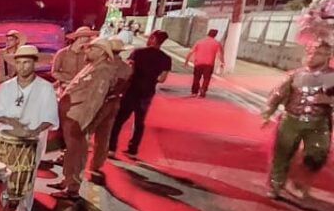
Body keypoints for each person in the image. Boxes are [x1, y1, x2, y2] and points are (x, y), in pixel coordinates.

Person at [0, 45, 59, 211]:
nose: (22, 66)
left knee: (27, 179)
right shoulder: (6, 87)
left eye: (27, 62)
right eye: (19, 62)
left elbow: (50, 118)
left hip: (33, 140)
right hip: (7, 141)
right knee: (2, 181)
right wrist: (13, 124)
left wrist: (31, 131)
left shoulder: (45, 88)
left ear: (34, 63)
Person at [51, 38, 131, 198]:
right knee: (71, 151)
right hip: (72, 115)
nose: (86, 51)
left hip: (78, 117)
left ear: (101, 52)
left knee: (76, 152)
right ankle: (67, 181)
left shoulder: (102, 71)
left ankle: (72, 187)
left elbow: (95, 100)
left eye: (91, 49)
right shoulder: (93, 66)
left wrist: (84, 123)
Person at [262, 39, 334, 200]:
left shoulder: (331, 76)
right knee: (281, 153)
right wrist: (267, 113)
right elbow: (277, 95)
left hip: (318, 122)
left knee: (317, 154)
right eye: (310, 52)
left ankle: (298, 179)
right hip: (291, 120)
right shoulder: (296, 74)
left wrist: (329, 100)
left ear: (327, 56)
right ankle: (275, 185)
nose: (312, 56)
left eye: (318, 53)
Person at [109, 29, 173, 158]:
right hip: (147, 92)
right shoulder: (166, 58)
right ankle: (133, 149)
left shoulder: (138, 53)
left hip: (132, 90)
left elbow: (128, 70)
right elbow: (162, 78)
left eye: (150, 37)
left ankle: (111, 148)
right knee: (139, 122)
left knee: (119, 120)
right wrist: (151, 78)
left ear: (153, 39)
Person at [185, 29, 225, 97]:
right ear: (215, 35)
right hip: (209, 64)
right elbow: (219, 54)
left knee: (196, 78)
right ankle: (203, 89)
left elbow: (191, 52)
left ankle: (194, 92)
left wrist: (186, 61)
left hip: (198, 63)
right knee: (206, 78)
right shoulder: (217, 43)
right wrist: (222, 62)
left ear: (208, 33)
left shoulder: (199, 41)